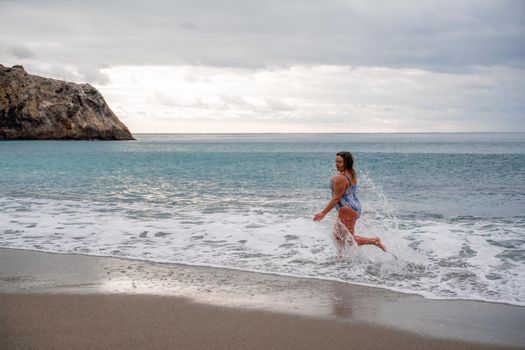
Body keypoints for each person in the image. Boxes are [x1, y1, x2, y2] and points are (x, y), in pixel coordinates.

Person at [313, 151, 386, 253]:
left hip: (346, 209)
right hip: (354, 207)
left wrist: (323, 212)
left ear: (346, 163)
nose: (336, 164)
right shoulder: (351, 173)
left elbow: (336, 198)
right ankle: (341, 259)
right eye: (336, 161)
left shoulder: (340, 178)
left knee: (348, 239)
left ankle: (374, 241)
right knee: (338, 237)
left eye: (340, 162)